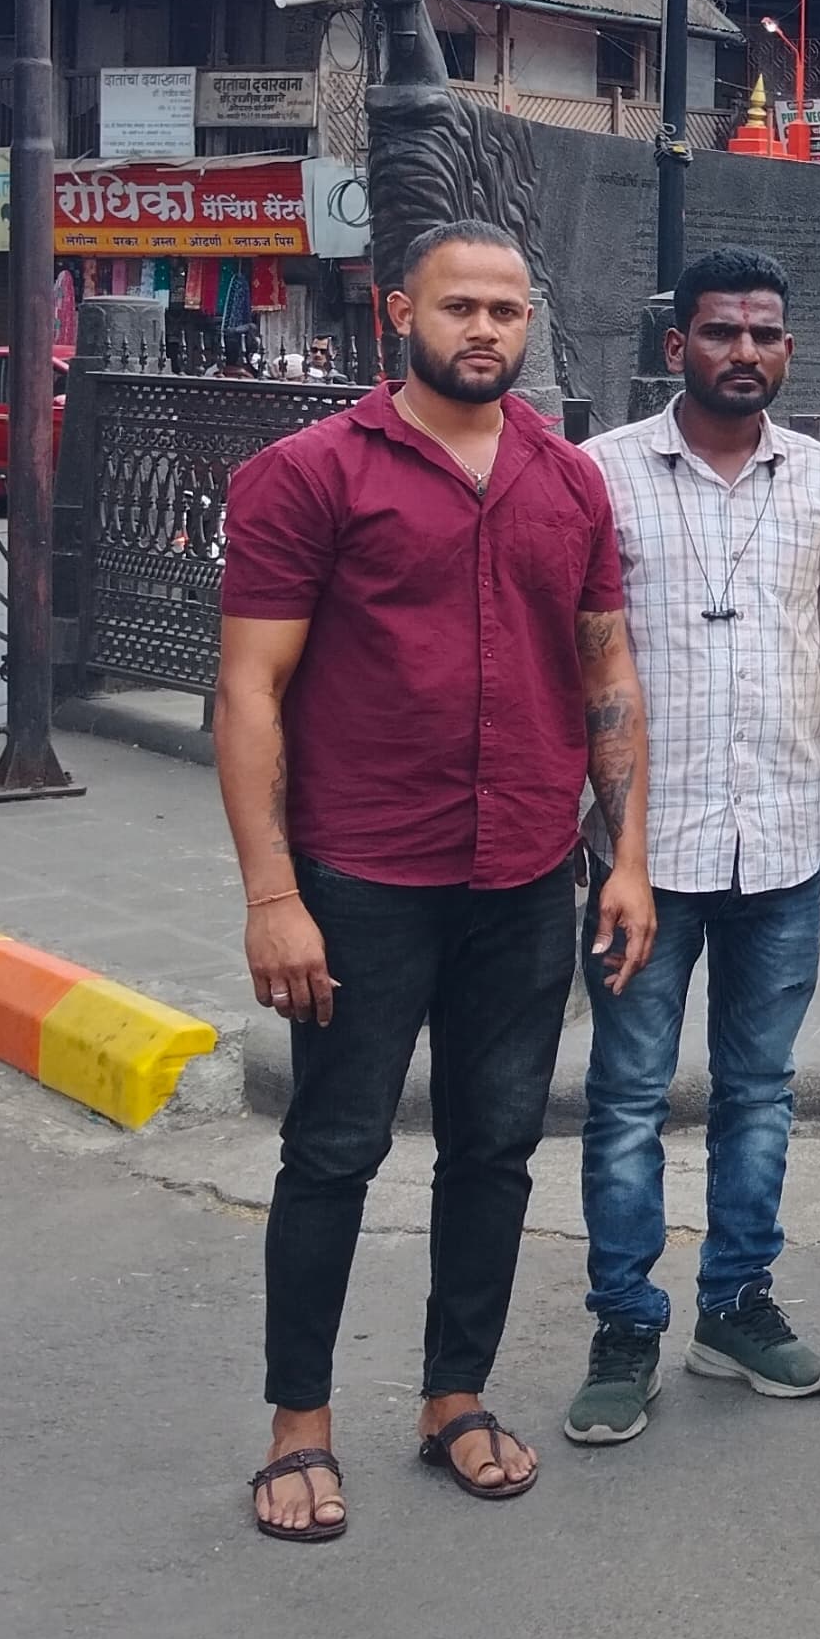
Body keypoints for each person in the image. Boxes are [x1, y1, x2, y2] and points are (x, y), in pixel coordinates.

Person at [215, 220, 647, 1541]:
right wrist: (272, 894)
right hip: (362, 878)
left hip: (522, 874)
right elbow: (249, 689)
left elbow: (608, 675)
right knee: (334, 1150)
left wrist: (625, 859)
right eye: (458, 304)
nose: (484, 330)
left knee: (496, 1148)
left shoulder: (567, 482)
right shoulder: (309, 474)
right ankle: (299, 1425)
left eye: (507, 310)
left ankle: (453, 1393)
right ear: (397, 307)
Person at [563, 244, 820, 1449]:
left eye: (764, 333)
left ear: (787, 348)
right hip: (643, 848)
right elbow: (575, 659)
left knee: (761, 1091)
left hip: (786, 832)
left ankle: (734, 1302)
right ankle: (624, 1322)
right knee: (629, 1097)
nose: (744, 351)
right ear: (673, 340)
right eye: (720, 331)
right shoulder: (602, 477)